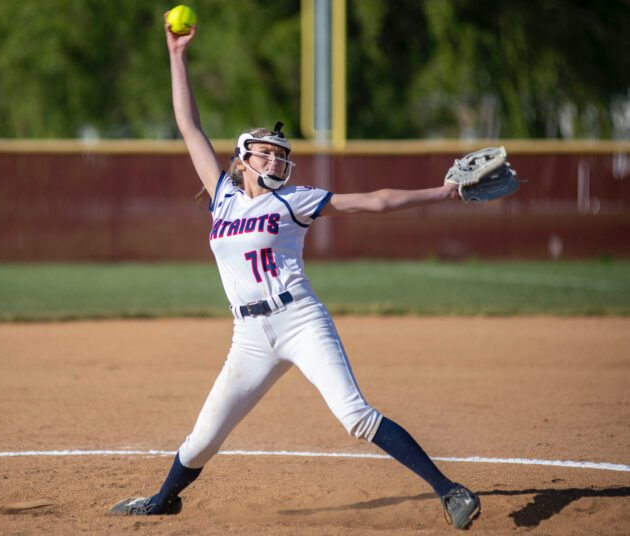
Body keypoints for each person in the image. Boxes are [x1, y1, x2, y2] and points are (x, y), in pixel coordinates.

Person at [108, 16, 481, 531]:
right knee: (202, 441)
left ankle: (451, 490)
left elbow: (375, 201)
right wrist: (177, 57)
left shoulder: (295, 200)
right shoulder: (223, 197)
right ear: (242, 160)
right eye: (266, 153)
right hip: (249, 335)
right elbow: (189, 126)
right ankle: (163, 500)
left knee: (355, 415)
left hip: (300, 320)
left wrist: (443, 193)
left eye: (281, 155)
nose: (276, 160)